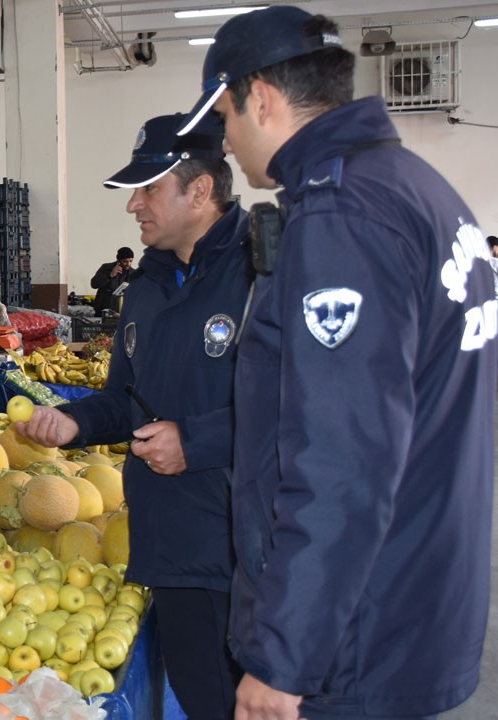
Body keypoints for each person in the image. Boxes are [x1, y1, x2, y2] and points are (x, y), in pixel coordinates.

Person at [177, 7, 497, 720]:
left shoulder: (343, 215)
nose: (225, 143)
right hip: (415, 591)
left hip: (355, 633)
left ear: (260, 98)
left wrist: (285, 656)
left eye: (224, 117)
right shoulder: (416, 188)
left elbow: (343, 458)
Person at [19, 112, 250, 719]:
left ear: (200, 190)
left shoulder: (265, 275)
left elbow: (312, 412)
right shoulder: (145, 286)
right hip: (171, 547)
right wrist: (76, 424)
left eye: (148, 189)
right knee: (206, 701)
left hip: (252, 550)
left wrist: (195, 442)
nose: (133, 206)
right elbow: (129, 400)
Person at [89, 246, 134, 315]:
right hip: (104, 308)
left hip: (123, 310)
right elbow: (94, 284)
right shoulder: (106, 268)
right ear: (118, 260)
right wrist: (110, 275)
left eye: (130, 261)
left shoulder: (133, 273)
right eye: (125, 261)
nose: (128, 264)